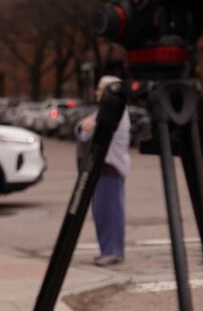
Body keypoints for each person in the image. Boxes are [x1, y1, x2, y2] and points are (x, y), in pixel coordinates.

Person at [76, 76, 130, 266]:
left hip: (110, 167)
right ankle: (109, 249)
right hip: (104, 167)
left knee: (110, 212)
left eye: (100, 89)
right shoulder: (106, 110)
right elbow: (83, 129)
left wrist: (86, 126)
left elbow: (87, 130)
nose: (96, 93)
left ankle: (112, 251)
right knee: (102, 212)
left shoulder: (114, 111)